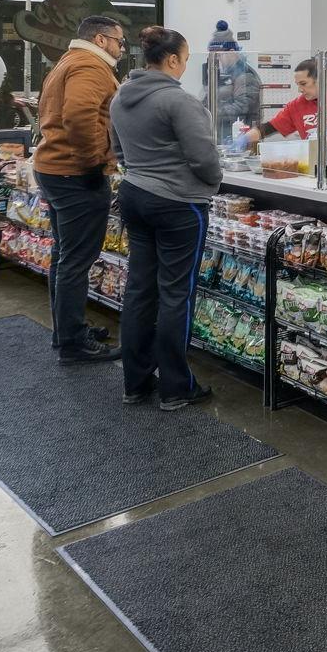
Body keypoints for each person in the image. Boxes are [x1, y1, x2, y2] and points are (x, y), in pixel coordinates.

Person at [110, 26, 223, 411]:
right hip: (178, 206)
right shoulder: (180, 101)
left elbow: (118, 151)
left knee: (140, 290)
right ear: (172, 59)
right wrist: (212, 183)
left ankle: (135, 382)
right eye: (186, 59)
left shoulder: (121, 96)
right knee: (176, 294)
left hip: (135, 195)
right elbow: (205, 158)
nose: (186, 66)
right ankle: (176, 387)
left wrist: (143, 171)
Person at [32, 15, 127, 363]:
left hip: (55, 170)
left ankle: (67, 329)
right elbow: (79, 116)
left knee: (65, 256)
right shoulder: (89, 66)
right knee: (76, 260)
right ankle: (72, 343)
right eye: (118, 41)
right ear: (101, 39)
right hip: (75, 174)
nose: (120, 48)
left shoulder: (69, 61)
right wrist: (97, 161)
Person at [248, 57, 327, 146]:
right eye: (298, 84)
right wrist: (243, 139)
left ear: (321, 79)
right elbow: (268, 128)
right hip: (312, 162)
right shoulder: (296, 106)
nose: (300, 90)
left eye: (304, 84)